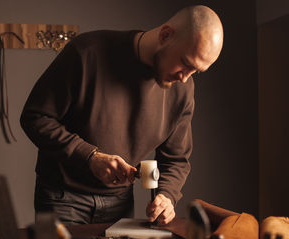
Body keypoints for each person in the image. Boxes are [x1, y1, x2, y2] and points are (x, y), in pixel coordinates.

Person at [21, 5, 224, 225]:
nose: (186, 78)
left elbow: (176, 159)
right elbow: (35, 117)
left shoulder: (183, 89)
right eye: (186, 63)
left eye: (197, 71)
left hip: (120, 204)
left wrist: (167, 195)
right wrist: (90, 157)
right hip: (62, 198)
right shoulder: (85, 53)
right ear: (166, 35)